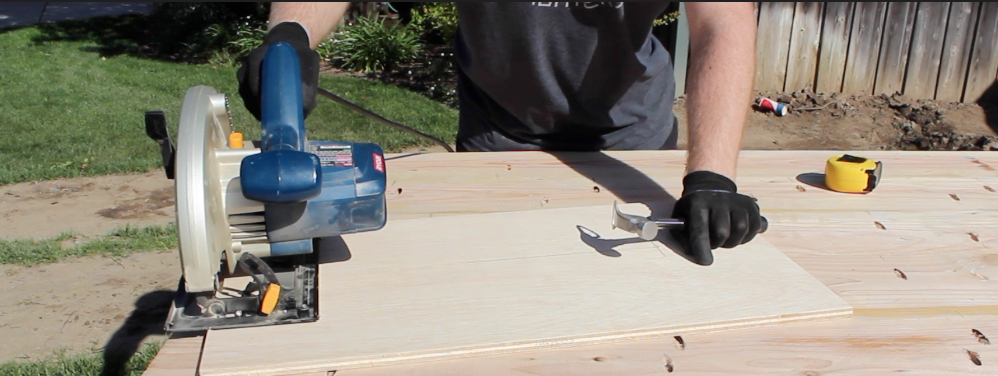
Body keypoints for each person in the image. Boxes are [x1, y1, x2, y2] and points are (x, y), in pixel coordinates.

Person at [238, 2, 763, 265]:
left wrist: (712, 176)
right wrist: (291, 33)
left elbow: (724, 19)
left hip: (630, 140)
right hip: (500, 140)